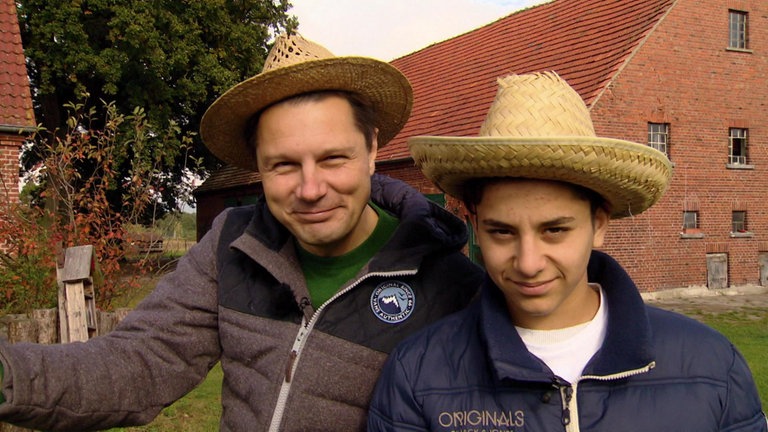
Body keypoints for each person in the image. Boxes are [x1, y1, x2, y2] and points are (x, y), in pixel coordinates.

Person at [0, 33, 483, 431]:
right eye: (283, 165)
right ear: (257, 165)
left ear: (372, 148)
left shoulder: (452, 288)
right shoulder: (233, 244)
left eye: (333, 158)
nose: (311, 189)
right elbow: (139, 362)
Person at [368, 71, 768, 431]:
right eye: (502, 232)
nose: (528, 263)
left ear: (599, 223)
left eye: (555, 230)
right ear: (474, 225)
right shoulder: (419, 374)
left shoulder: (711, 366)